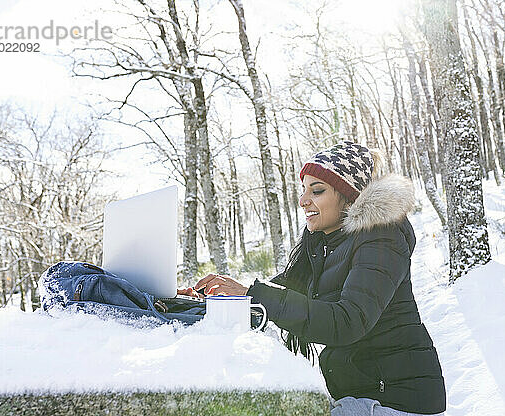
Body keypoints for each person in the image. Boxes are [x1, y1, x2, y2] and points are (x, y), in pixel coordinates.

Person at [179, 141, 446, 415]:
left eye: (317, 191)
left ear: (349, 196)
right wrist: (216, 296)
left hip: (399, 401)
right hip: (362, 394)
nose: (303, 200)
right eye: (303, 189)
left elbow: (347, 321)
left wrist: (253, 294)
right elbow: (283, 291)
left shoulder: (381, 238)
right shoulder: (325, 244)